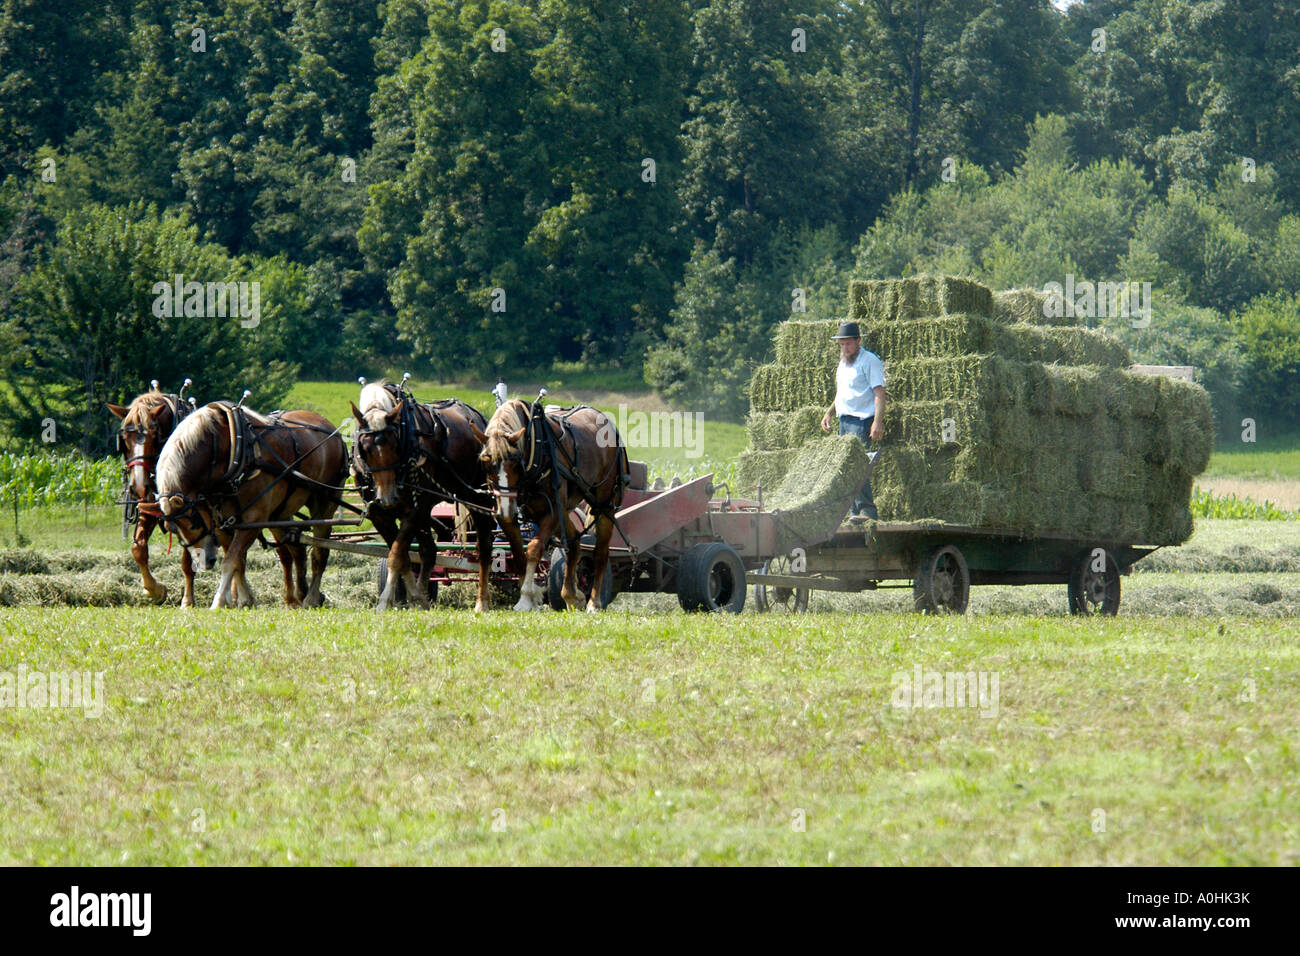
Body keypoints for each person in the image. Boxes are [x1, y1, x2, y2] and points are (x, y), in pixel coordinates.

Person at [820, 321, 885, 522]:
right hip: (844, 421)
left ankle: (867, 512)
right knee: (845, 468)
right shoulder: (843, 364)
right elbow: (842, 393)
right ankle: (854, 512)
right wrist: (829, 413)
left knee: (858, 466)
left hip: (861, 421)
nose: (845, 348)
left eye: (848, 344)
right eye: (842, 345)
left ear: (858, 341)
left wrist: (877, 422)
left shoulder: (870, 361)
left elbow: (879, 393)